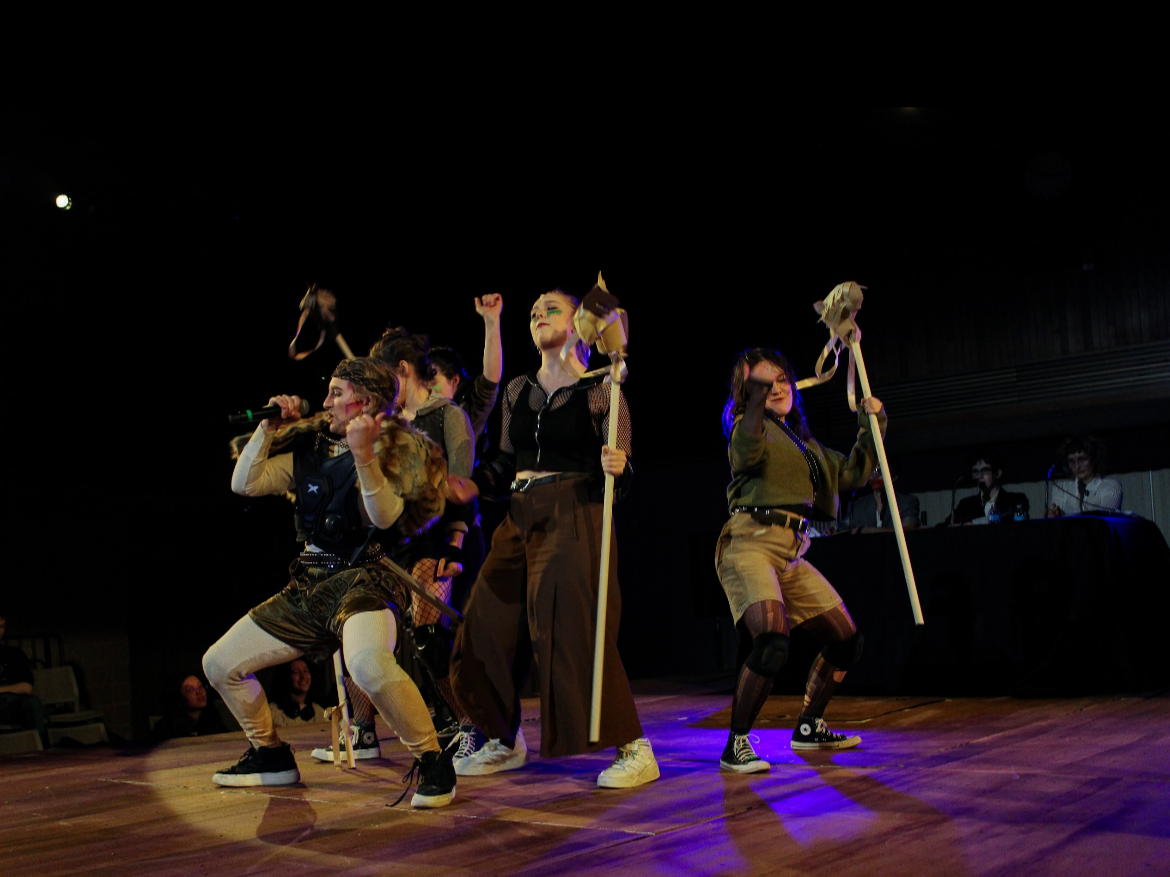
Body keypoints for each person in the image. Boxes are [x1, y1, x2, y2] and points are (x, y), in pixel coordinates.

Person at [204, 356, 459, 808]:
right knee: (220, 664)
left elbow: (384, 516)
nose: (325, 401)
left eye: (336, 393)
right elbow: (245, 484)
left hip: (367, 581)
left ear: (365, 402)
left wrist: (364, 455)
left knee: (368, 666)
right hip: (309, 585)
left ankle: (434, 760)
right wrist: (266, 430)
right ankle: (271, 754)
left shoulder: (394, 448)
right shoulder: (311, 452)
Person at [450, 287, 659, 789]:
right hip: (520, 514)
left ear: (580, 324)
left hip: (574, 509)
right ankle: (502, 737)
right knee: (484, 620)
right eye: (534, 312)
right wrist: (472, 484)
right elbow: (503, 462)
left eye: (552, 308)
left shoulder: (602, 389)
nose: (539, 315)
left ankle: (634, 746)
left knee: (568, 625)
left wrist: (620, 465)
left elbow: (623, 466)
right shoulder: (519, 389)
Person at [715, 348, 884, 773]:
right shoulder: (746, 428)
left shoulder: (804, 445)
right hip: (750, 541)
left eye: (783, 381)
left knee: (847, 641)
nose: (777, 388)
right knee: (772, 641)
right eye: (763, 384)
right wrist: (753, 403)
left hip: (791, 551)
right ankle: (736, 744)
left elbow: (852, 473)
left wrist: (871, 423)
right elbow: (745, 454)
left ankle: (809, 724)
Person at [0, 610, 47, 744]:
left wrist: (2, 689)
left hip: (11, 703)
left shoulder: (14, 654)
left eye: (1, 626)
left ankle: (41, 749)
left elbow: (26, 687)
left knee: (32, 703)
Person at [1048, 435, 1123, 516]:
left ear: (1094, 459)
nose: (1077, 466)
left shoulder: (1111, 487)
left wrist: (1066, 517)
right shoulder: (1061, 488)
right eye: (1072, 461)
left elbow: (1102, 520)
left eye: (1082, 459)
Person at [945, 455, 1030, 525]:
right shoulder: (965, 505)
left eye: (984, 471)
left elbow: (1012, 522)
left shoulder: (1016, 500)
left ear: (997, 473)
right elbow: (945, 526)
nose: (979, 476)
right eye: (976, 472)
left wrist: (974, 523)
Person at [151, 673, 229, 740]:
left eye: (200, 686)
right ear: (179, 697)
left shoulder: (212, 720)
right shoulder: (166, 728)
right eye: (190, 690)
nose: (199, 692)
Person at [845, 464, 920, 532]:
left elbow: (909, 530)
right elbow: (844, 528)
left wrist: (870, 531)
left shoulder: (907, 502)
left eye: (880, 471)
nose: (875, 475)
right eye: (872, 471)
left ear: (894, 477)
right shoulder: (857, 505)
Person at [268, 659, 328, 727]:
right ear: (286, 677)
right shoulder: (271, 713)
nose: (303, 676)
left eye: (306, 671)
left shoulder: (319, 713)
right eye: (296, 672)